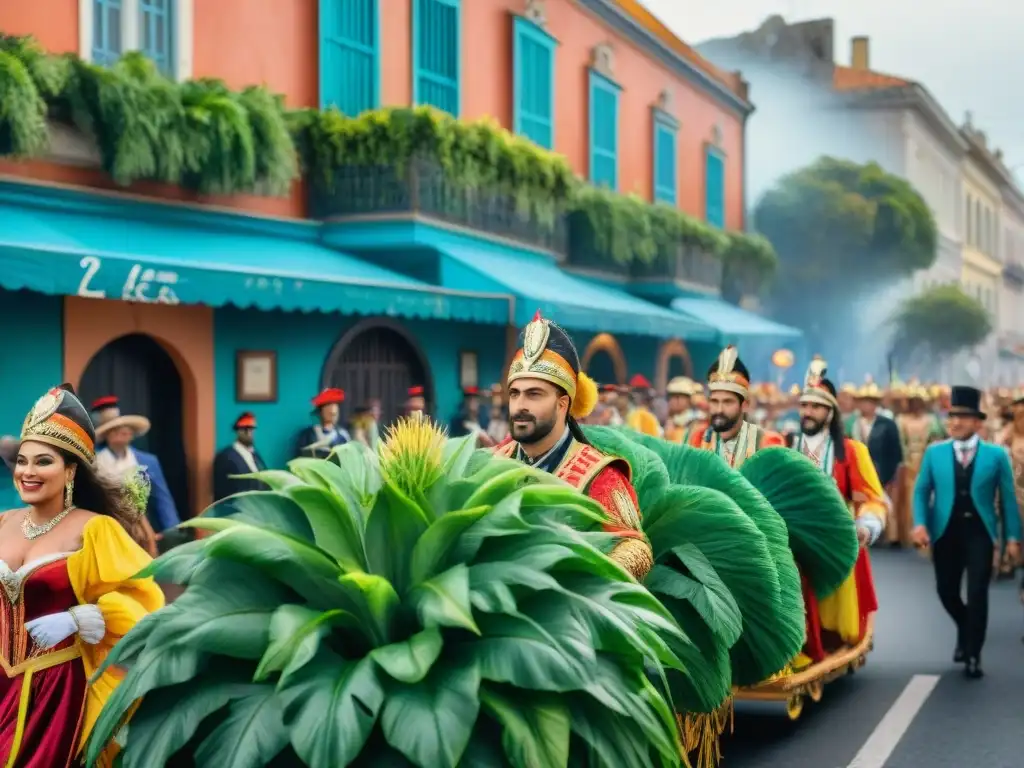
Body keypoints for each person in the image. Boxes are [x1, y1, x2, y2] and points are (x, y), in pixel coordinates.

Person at [0, 384, 163, 766]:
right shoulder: (3, 522)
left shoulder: (95, 529)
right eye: (22, 461)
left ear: (70, 470)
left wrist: (81, 618)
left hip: (55, 689)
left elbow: (143, 598)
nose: (28, 472)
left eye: (43, 462)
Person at [494, 312, 653, 581]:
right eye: (514, 393)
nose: (520, 406)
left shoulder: (601, 477)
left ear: (562, 404)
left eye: (534, 394)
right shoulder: (493, 461)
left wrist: (585, 582)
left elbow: (636, 547)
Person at [912, 385, 1020, 678]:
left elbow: (1008, 499)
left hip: (980, 533)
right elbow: (921, 491)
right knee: (946, 590)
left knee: (977, 593)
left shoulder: (997, 455)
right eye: (952, 416)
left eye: (962, 417)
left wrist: (1013, 537)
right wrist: (920, 524)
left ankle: (973, 654)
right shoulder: (934, 453)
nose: (955, 422)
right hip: (945, 532)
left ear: (976, 422)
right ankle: (964, 625)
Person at [794, 358, 887, 664]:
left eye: (816, 406)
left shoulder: (850, 451)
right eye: (804, 405)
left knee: (832, 625)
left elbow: (873, 498)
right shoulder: (783, 446)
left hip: (836, 540)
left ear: (831, 412)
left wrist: (866, 526)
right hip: (791, 538)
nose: (808, 412)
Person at [92, 396, 180, 534]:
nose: (121, 435)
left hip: (141, 528)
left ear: (131, 435)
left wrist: (172, 530)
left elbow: (162, 498)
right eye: (115, 431)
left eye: (125, 431)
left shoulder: (148, 461)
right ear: (106, 435)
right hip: (106, 525)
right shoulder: (96, 461)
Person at [689, 346, 784, 468]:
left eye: (728, 402)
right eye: (714, 401)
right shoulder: (698, 439)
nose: (719, 410)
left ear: (744, 405)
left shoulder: (766, 442)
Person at [846, 378, 904, 544]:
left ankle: (889, 536)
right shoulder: (851, 424)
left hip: (882, 471)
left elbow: (895, 453)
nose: (866, 405)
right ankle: (860, 532)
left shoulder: (888, 424)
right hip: (857, 471)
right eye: (863, 401)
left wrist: (889, 475)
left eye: (870, 401)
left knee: (882, 502)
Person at [212, 412, 267, 501]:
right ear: (238, 431)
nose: (249, 433)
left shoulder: (256, 455)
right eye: (245, 429)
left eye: (251, 429)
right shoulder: (225, 456)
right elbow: (220, 490)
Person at [295, 388, 349, 459]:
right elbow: (301, 455)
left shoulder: (342, 436)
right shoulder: (308, 434)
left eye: (335, 413)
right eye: (328, 407)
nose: (332, 412)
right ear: (320, 412)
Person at [663, 376, 705, 444]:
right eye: (672, 396)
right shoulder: (668, 421)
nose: (675, 401)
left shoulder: (698, 419)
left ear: (690, 399)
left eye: (679, 397)